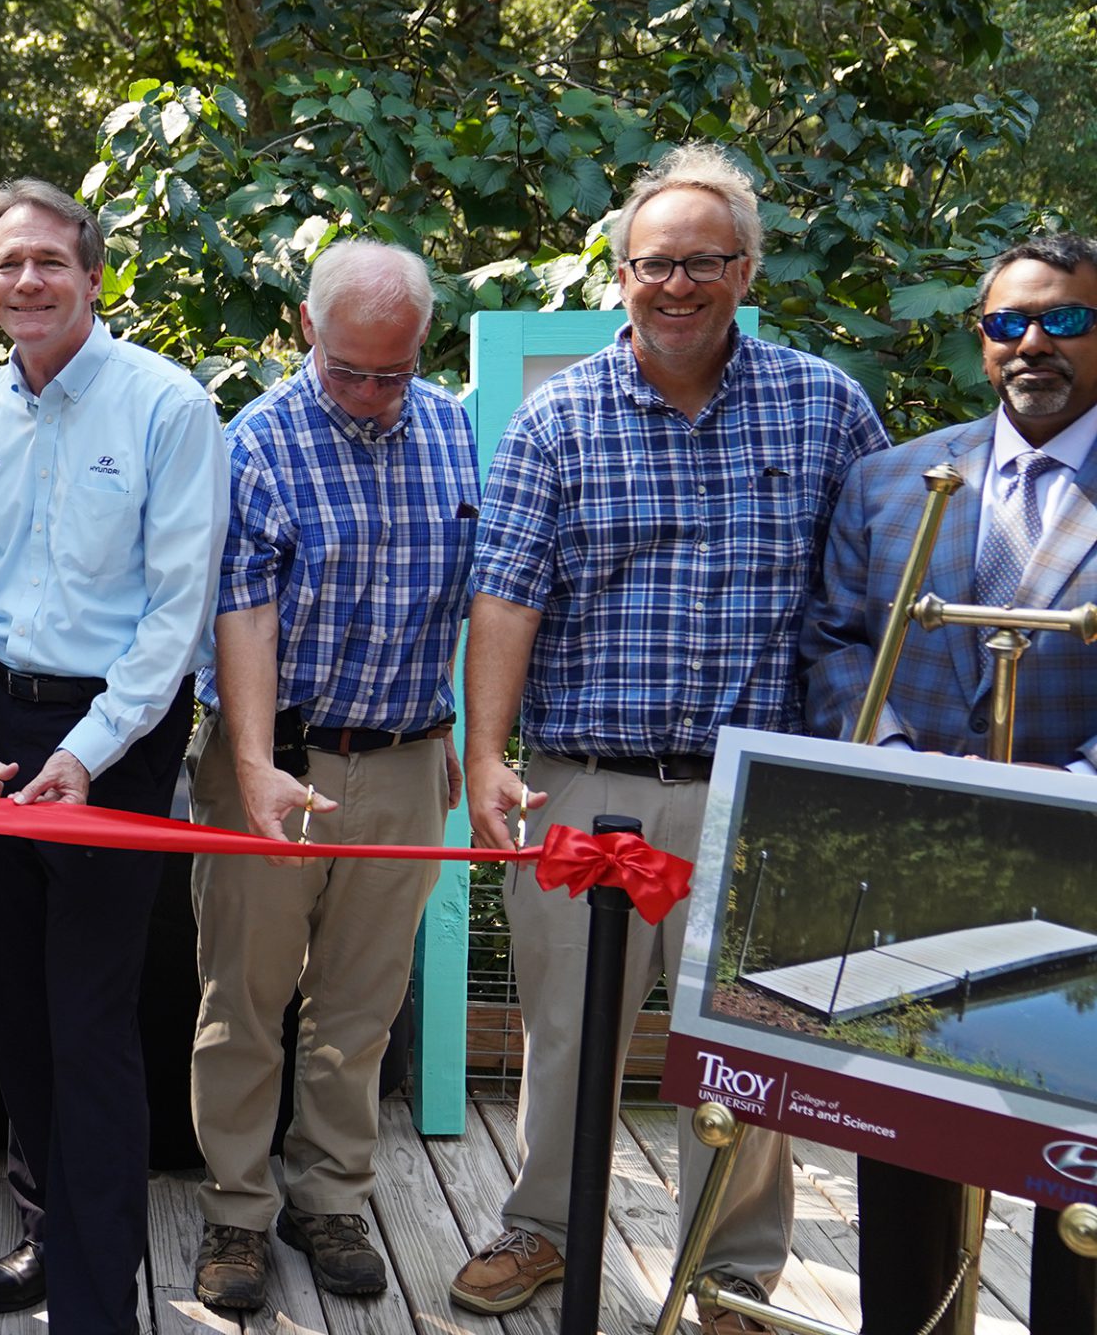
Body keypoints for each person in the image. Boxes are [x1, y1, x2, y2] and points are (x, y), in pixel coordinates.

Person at [450, 143, 888, 1329]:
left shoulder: (826, 404)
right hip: (586, 785)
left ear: (746, 269)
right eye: (654, 263)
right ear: (622, 274)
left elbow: (868, 592)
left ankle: (731, 1268)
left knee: (751, 1044)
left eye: (703, 261)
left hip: (763, 792)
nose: (676, 284)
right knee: (563, 1030)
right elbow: (506, 596)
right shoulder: (561, 418)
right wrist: (486, 758)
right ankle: (542, 1229)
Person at [0, 177, 226, 1334]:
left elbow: (175, 618)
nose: (27, 282)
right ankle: (49, 1238)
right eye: (7, 264)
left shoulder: (166, 406)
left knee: (89, 1023)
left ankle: (97, 1306)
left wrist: (93, 753)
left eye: (50, 261)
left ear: (94, 275)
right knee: (14, 1018)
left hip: (119, 741)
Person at [803, 231, 1097, 1335]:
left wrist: (1067, 794)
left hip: (1084, 882)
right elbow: (832, 643)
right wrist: (891, 761)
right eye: (1007, 323)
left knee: (1075, 1178)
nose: (1033, 342)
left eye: (1064, 320)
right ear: (978, 340)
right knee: (909, 1151)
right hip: (912, 864)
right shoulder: (893, 482)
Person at [186, 239, 474, 1313]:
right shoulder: (255, 439)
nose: (366, 394)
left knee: (360, 1000)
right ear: (306, 331)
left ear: (421, 350)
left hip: (403, 755)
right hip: (279, 756)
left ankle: (331, 1193)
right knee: (244, 1002)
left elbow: (472, 598)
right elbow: (239, 612)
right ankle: (235, 1211)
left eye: (389, 372)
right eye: (347, 368)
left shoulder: (453, 429)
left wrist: (456, 738)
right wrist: (255, 765)